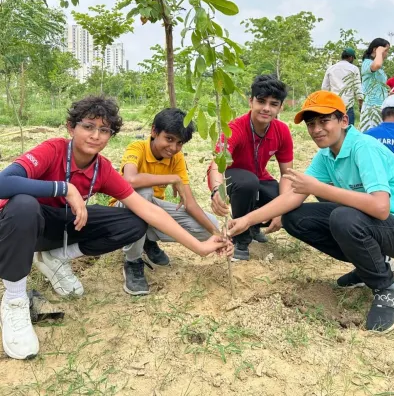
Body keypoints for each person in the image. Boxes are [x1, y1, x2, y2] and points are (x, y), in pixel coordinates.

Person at [0, 96, 231, 360]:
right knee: (23, 205)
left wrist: (200, 246)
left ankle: (56, 258)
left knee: (133, 222)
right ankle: (15, 300)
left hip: (64, 227)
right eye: (88, 127)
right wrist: (64, 188)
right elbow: (3, 182)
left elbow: (149, 210)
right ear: (71, 127)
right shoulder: (52, 150)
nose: (95, 135)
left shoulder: (102, 169)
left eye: (104, 130)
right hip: (26, 228)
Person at [229, 90, 394, 334]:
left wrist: (319, 188)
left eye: (323, 121)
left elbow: (381, 208)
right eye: (311, 124)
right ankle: (371, 266)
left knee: (344, 217)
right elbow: (293, 196)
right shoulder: (327, 155)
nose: (316, 129)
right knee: (294, 217)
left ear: (343, 121)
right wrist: (246, 220)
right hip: (375, 224)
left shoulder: (364, 148)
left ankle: (386, 289)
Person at [111, 108, 220, 296]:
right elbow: (129, 180)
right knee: (143, 192)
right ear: (154, 132)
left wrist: (217, 233)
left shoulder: (176, 158)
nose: (173, 148)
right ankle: (133, 261)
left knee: (210, 225)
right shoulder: (137, 148)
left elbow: (190, 204)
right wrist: (172, 179)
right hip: (123, 211)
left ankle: (148, 240)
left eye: (179, 143)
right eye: (169, 139)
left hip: (153, 211)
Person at [208, 74, 293, 261]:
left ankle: (253, 225)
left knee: (287, 203)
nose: (266, 108)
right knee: (247, 183)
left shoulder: (282, 131)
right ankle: (241, 239)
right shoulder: (235, 128)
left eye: (273, 104)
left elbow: (287, 174)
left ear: (280, 107)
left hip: (259, 177)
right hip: (231, 177)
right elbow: (217, 164)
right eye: (261, 101)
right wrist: (216, 190)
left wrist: (280, 210)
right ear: (251, 101)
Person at [321, 47, 363, 125]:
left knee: (335, 129)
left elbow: (324, 88)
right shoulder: (354, 68)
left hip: (334, 105)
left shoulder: (331, 68)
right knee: (348, 130)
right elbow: (358, 87)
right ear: (351, 57)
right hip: (348, 105)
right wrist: (361, 103)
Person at [360, 38, 390, 132]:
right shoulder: (367, 63)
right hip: (371, 107)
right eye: (386, 50)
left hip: (380, 106)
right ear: (375, 49)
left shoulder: (379, 67)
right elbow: (376, 65)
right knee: (370, 135)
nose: (387, 53)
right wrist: (379, 52)